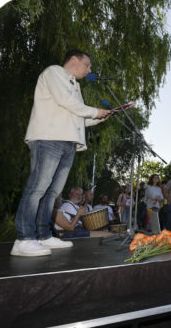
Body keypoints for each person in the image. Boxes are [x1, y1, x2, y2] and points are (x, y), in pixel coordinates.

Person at [11, 50, 111, 257]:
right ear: (74, 60)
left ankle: (43, 235)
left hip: (68, 143)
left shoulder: (76, 86)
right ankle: (24, 239)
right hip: (49, 138)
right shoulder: (54, 72)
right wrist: (93, 111)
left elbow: (77, 116)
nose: (90, 70)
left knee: (52, 193)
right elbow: (67, 102)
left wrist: (99, 118)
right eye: (87, 65)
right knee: (37, 188)